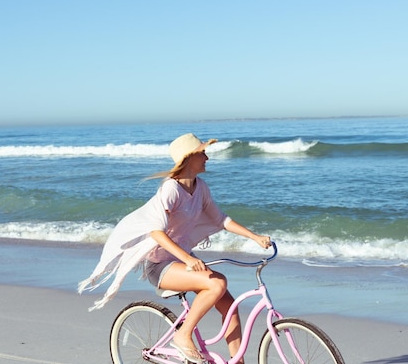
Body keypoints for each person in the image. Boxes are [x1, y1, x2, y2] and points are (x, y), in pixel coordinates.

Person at [78, 133, 271, 364]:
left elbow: (221, 220)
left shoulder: (200, 188)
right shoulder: (171, 189)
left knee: (230, 307)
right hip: (160, 265)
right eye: (202, 153)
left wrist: (255, 237)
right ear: (189, 158)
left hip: (182, 260)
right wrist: (188, 259)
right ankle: (182, 335)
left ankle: (236, 361)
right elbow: (155, 231)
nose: (207, 157)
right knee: (217, 283)